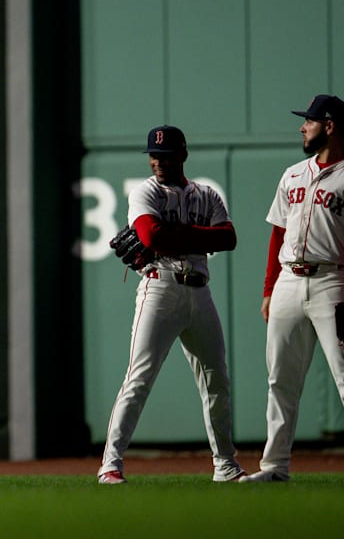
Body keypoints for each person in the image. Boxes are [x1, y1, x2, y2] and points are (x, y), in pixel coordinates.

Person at [240, 94, 344, 483]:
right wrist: (269, 289)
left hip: (334, 281)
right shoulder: (292, 173)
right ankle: (274, 466)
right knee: (280, 379)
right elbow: (278, 234)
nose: (302, 127)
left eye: (308, 121)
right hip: (288, 280)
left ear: (329, 125)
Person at [98, 125, 245, 485]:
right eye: (154, 155)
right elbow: (152, 236)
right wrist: (197, 238)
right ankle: (110, 464)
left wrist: (174, 235)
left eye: (165, 156)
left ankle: (225, 465)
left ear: (182, 155)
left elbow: (228, 238)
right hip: (159, 288)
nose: (158, 162)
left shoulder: (206, 194)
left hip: (200, 292)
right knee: (139, 378)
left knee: (216, 380)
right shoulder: (145, 191)